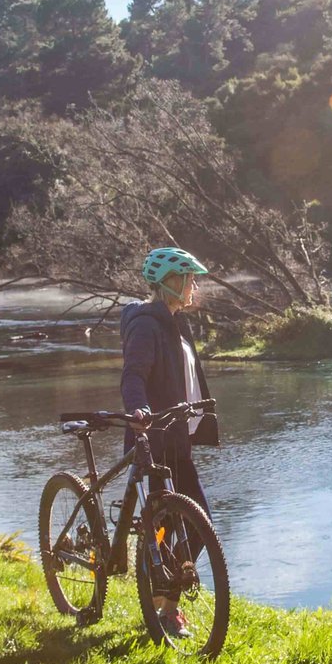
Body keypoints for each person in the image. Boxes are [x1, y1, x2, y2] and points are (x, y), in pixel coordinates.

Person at [121, 246, 219, 638]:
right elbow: (134, 375)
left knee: (198, 523)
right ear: (171, 282)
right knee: (163, 528)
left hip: (178, 438)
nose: (194, 286)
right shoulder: (146, 324)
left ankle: (165, 595)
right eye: (190, 279)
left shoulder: (178, 322)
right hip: (155, 439)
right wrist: (139, 409)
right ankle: (164, 609)